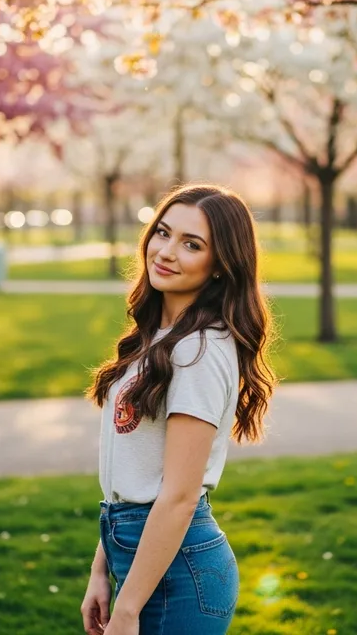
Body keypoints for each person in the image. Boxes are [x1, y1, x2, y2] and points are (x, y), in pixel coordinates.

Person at [80, 183, 278, 635]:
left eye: (192, 245)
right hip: (142, 552)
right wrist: (101, 571)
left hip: (178, 574)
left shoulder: (199, 351)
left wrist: (128, 611)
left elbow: (179, 496)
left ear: (220, 266)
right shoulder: (160, 339)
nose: (166, 252)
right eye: (163, 233)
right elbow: (131, 473)